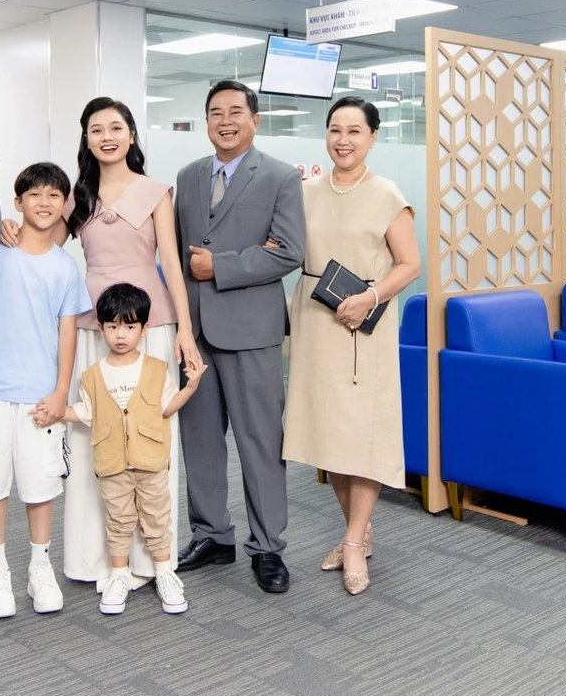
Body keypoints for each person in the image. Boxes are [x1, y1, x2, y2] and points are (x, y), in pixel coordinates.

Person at [2, 97, 205, 585]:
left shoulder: (156, 192)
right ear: (86, 139)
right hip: (91, 324)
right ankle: (93, 559)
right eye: (96, 129)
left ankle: (151, 559)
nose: (107, 137)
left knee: (150, 432)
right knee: (91, 434)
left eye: (116, 127)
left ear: (131, 135)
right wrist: (9, 228)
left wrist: (185, 330)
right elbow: (41, 246)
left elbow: (171, 262)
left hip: (149, 324)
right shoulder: (78, 196)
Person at [281, 98, 420, 596]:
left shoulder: (387, 195)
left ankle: (355, 543)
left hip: (363, 323)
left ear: (373, 138)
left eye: (354, 131)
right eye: (335, 130)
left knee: (363, 436)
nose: (343, 140)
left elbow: (410, 264)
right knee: (330, 434)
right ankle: (357, 529)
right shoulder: (304, 192)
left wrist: (369, 298)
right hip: (316, 321)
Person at [173, 80, 305, 594]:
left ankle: (268, 546)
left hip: (251, 331)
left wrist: (221, 267)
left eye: (235, 112)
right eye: (215, 113)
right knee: (200, 439)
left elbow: (289, 251)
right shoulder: (188, 177)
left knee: (259, 441)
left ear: (255, 119)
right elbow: (177, 252)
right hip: (196, 332)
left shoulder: (279, 176)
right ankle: (211, 534)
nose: (224, 121)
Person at [0, 163, 89, 620]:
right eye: (34, 194)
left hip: (40, 396)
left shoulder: (65, 268)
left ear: (64, 205)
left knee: (40, 482)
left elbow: (68, 333)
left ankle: (39, 565)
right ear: (18, 202)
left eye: (54, 195)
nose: (44, 202)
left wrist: (61, 391)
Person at [70, 283, 207, 617]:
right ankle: (119, 576)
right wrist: (56, 411)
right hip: (112, 464)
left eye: (130, 327)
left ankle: (164, 573)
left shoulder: (157, 369)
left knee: (157, 519)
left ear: (144, 330)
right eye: (113, 326)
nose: (121, 334)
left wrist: (192, 386)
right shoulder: (92, 376)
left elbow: (166, 407)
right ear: (100, 328)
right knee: (118, 521)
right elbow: (85, 412)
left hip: (151, 463)